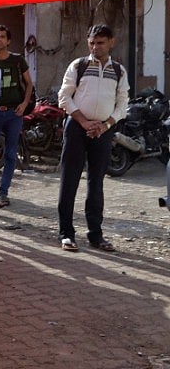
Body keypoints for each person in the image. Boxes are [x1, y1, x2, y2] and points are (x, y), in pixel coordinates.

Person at [56, 24, 128, 252]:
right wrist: (84, 122)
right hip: (77, 128)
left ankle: (96, 236)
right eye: (92, 43)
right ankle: (66, 234)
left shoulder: (119, 70)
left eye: (100, 43)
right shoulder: (79, 65)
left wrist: (105, 125)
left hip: (103, 131)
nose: (95, 47)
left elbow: (122, 104)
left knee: (96, 183)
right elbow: (64, 97)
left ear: (111, 42)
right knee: (69, 181)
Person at [0, 24, 34, 210]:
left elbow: (29, 84)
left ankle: (3, 193)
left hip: (14, 113)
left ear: (8, 40)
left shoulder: (18, 60)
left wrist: (24, 103)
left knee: (11, 154)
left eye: (2, 36)